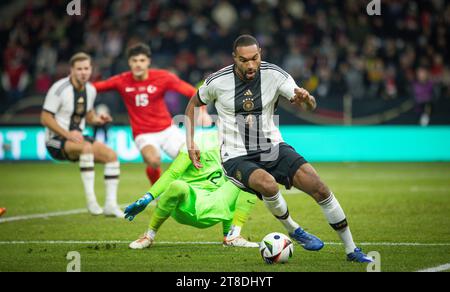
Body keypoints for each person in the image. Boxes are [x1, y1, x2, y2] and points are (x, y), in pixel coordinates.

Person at [185, 35, 372, 263]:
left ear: (260, 54)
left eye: (255, 58)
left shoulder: (274, 74)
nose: (251, 64)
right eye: (244, 60)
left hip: (270, 146)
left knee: (320, 188)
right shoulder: (217, 81)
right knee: (268, 184)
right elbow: (193, 104)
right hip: (235, 155)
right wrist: (190, 142)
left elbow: (308, 103)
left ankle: (352, 249)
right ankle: (294, 229)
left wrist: (307, 98)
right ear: (234, 58)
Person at [94, 43, 211, 185]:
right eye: (134, 61)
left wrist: (203, 112)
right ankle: (158, 193)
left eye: (142, 60)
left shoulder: (162, 77)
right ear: (129, 62)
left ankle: (194, 191)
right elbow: (95, 88)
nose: (138, 64)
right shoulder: (121, 80)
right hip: (144, 134)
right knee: (154, 160)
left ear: (148, 62)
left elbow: (192, 92)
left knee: (191, 158)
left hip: (168, 130)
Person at [124, 131, 258, 249]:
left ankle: (231, 236)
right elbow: (173, 173)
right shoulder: (199, 141)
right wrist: (148, 197)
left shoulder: (242, 149)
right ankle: (148, 236)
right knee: (178, 186)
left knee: (252, 177)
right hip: (188, 205)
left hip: (216, 206)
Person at [41, 52, 123, 218]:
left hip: (77, 138)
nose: (83, 72)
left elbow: (89, 116)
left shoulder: (91, 89)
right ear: (71, 70)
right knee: (86, 148)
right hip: (55, 140)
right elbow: (45, 117)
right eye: (79, 69)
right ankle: (91, 201)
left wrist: (100, 120)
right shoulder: (59, 89)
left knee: (112, 156)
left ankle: (110, 205)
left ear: (91, 69)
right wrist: (67, 134)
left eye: (86, 68)